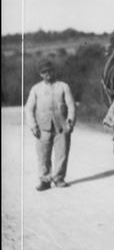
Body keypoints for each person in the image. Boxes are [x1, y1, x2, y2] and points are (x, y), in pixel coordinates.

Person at [25, 59, 75, 191]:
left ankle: (59, 178)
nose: (47, 74)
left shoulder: (63, 86)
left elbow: (71, 106)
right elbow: (29, 109)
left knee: (62, 153)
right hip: (43, 128)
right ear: (40, 74)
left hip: (61, 126)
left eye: (49, 71)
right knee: (43, 155)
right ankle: (45, 180)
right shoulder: (36, 89)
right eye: (44, 72)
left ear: (54, 71)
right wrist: (33, 126)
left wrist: (70, 122)